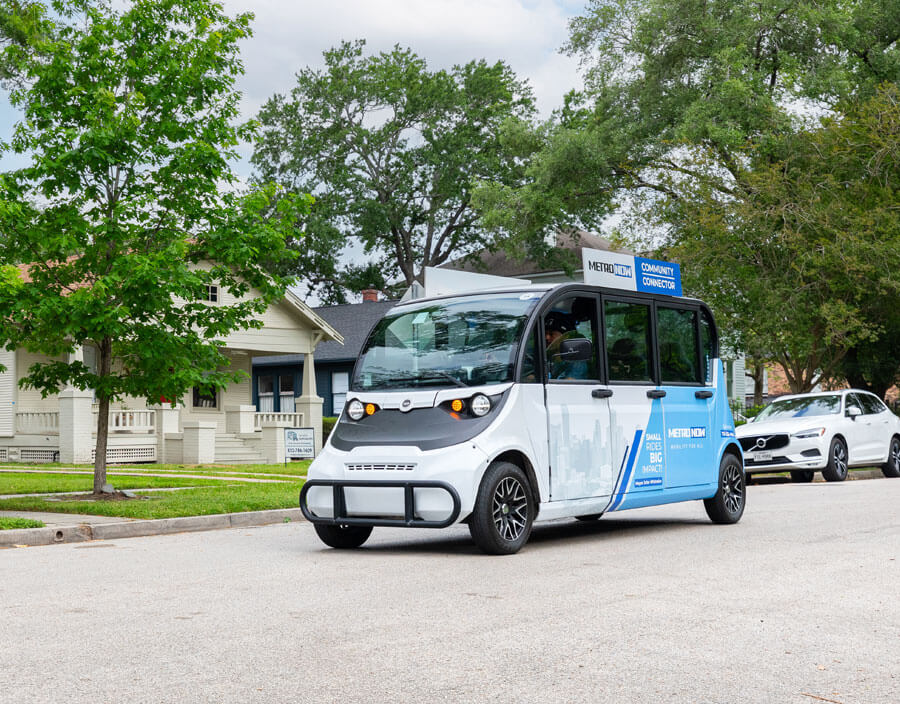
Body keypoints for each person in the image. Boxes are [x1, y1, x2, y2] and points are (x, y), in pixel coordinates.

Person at [544, 312, 588, 380]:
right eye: (545, 333)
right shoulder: (547, 357)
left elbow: (569, 385)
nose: (546, 338)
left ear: (566, 336)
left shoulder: (576, 361)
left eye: (551, 334)